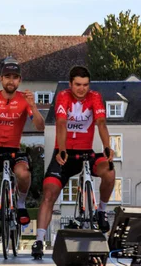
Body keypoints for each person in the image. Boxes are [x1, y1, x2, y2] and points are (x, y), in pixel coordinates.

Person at [32, 65, 115, 259]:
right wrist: (62, 149)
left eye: (85, 85)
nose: (81, 89)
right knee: (49, 193)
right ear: (70, 84)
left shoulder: (95, 97)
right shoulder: (63, 96)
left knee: (110, 171)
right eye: (77, 84)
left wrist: (107, 146)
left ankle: (101, 211)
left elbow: (101, 123)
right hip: (64, 153)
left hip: (86, 152)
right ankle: (39, 240)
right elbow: (61, 123)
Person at [0, 59, 45, 259]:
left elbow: (40, 126)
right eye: (7, 77)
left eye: (15, 77)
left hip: (14, 149)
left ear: (19, 80)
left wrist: (33, 107)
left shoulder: (24, 99)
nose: (11, 81)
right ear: (1, 79)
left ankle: (20, 203)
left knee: (23, 173)